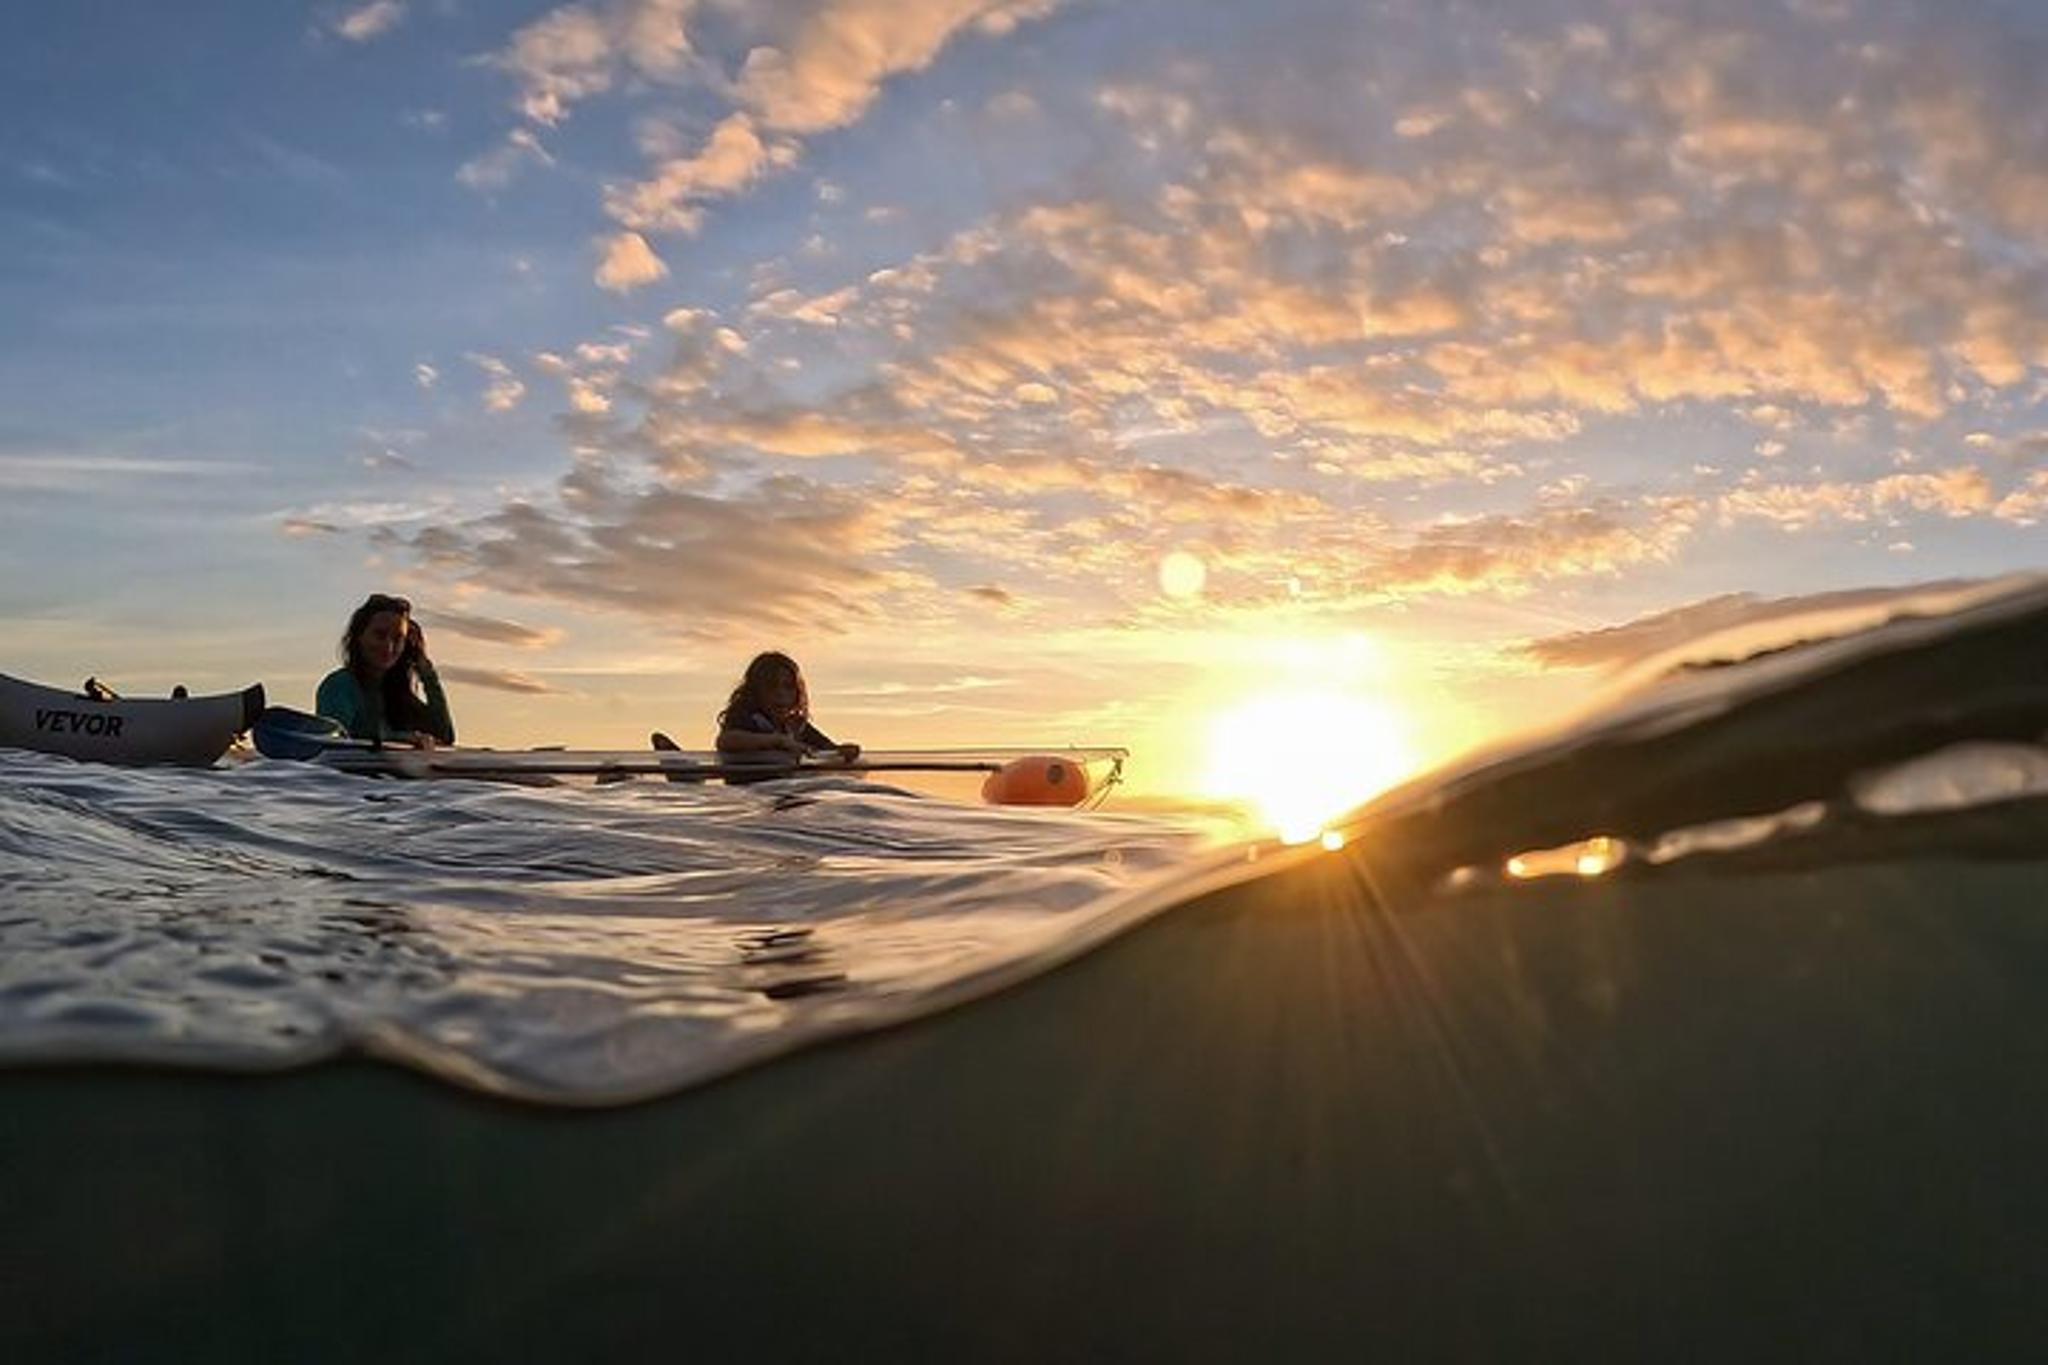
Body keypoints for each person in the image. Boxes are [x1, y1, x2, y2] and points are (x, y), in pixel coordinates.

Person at [315, 594, 455, 748]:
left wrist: (426, 672)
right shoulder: (339, 686)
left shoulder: (397, 695)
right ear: (359, 637)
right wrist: (400, 740)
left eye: (398, 639)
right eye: (380, 635)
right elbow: (335, 743)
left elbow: (445, 736)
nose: (389, 647)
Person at [715, 652, 859, 764]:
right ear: (755, 691)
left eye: (788, 687)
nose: (781, 694)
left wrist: (843, 752)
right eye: (772, 687)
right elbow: (726, 740)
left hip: (786, 787)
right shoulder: (744, 716)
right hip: (750, 793)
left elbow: (827, 749)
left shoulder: (796, 725)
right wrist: (778, 740)